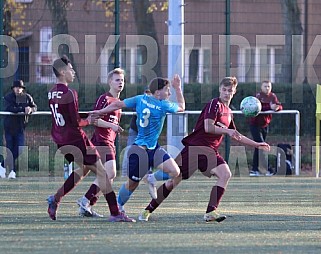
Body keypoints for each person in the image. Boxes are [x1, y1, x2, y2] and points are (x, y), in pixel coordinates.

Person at [139, 77, 270, 223]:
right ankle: (147, 211)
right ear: (220, 89)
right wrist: (226, 131)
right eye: (224, 90)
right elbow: (208, 127)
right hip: (195, 148)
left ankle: (210, 212)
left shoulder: (228, 112)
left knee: (225, 174)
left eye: (230, 91)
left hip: (210, 151)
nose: (226, 93)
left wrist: (257, 144)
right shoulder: (215, 104)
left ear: (234, 92)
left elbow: (236, 135)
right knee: (172, 182)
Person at [46, 55, 135, 222]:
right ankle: (115, 212)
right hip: (76, 140)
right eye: (71, 69)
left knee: (83, 172)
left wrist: (87, 115)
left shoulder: (52, 92)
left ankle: (56, 198)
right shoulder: (70, 93)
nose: (73, 72)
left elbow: (68, 116)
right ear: (63, 72)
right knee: (103, 173)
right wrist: (89, 120)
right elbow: (76, 122)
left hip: (60, 140)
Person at [90, 75, 185, 212]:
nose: (169, 93)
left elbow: (117, 104)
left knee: (175, 171)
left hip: (153, 148)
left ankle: (151, 177)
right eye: (167, 89)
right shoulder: (163, 105)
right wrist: (178, 88)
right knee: (132, 184)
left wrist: (100, 111)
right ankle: (118, 206)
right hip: (139, 151)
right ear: (158, 92)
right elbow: (182, 106)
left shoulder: (140, 99)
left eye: (170, 90)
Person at [77, 68, 125, 218]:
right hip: (101, 141)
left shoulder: (118, 102)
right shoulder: (104, 98)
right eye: (117, 80)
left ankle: (88, 205)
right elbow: (95, 120)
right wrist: (112, 126)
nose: (120, 83)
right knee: (110, 173)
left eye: (122, 80)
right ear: (110, 82)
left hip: (109, 142)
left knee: (106, 176)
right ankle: (84, 200)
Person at [0, 80, 37, 179]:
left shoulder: (27, 97)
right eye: (16, 87)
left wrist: (30, 109)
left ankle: (2, 166)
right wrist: (22, 109)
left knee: (19, 149)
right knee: (10, 149)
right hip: (9, 128)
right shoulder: (8, 97)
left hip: (20, 128)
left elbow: (34, 107)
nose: (18, 89)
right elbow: (10, 108)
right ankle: (12, 171)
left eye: (20, 87)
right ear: (13, 88)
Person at [249, 80, 283, 177]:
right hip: (255, 125)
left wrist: (277, 107)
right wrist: (269, 106)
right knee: (262, 146)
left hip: (265, 125)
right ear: (261, 87)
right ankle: (267, 169)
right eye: (265, 86)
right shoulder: (258, 96)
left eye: (269, 86)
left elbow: (278, 106)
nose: (267, 88)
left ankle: (255, 169)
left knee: (258, 147)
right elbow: (257, 107)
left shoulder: (272, 96)